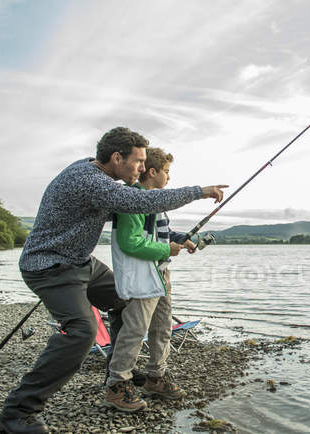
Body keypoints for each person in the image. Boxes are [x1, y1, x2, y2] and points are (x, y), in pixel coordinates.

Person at [0, 127, 227, 434]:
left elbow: (138, 214)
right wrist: (200, 190)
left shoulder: (97, 173)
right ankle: (18, 411)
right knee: (82, 331)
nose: (143, 169)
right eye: (138, 162)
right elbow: (142, 202)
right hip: (49, 266)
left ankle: (118, 381)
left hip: (81, 263)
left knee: (126, 301)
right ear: (117, 158)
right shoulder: (89, 180)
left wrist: (175, 236)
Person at [104, 147, 195, 412]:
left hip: (161, 272)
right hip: (144, 275)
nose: (169, 177)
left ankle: (156, 376)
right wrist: (167, 249)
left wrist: (178, 240)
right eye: (166, 172)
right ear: (152, 172)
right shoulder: (133, 200)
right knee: (134, 329)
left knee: (162, 328)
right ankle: (117, 383)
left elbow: (157, 232)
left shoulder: (155, 203)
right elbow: (131, 243)